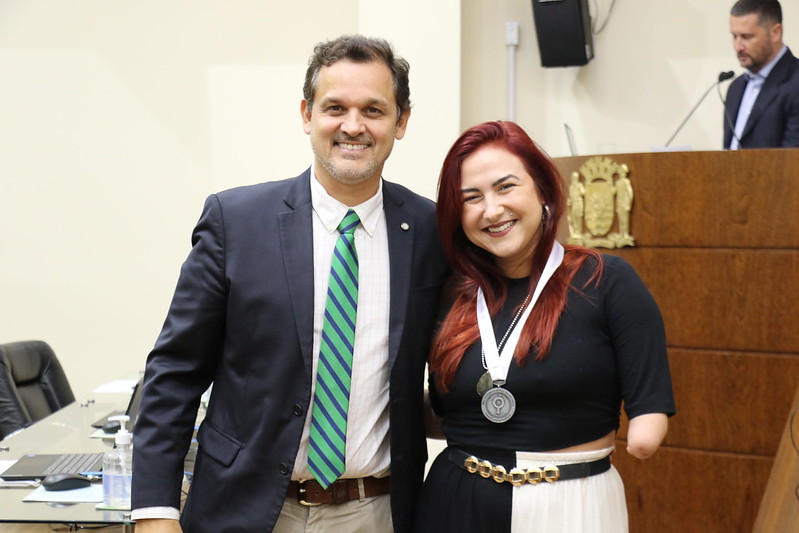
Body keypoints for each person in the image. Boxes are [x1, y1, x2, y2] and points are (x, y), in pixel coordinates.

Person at [130, 35, 449, 533]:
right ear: (306, 114)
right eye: (334, 107)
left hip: (376, 511)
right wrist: (155, 510)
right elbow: (175, 373)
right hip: (244, 507)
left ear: (401, 121)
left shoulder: (431, 232)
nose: (352, 126)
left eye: (373, 110)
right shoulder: (235, 222)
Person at [416, 121, 675, 533]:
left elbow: (648, 425)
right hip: (455, 499)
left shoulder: (604, 280)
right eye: (471, 198)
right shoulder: (453, 294)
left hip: (571, 501)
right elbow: (441, 414)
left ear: (542, 189)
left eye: (506, 187)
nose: (492, 209)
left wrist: (646, 424)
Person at [724, 0, 799, 149]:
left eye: (746, 37)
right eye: (734, 36)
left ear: (775, 33)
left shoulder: (795, 82)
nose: (738, 46)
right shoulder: (735, 88)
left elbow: (793, 160)